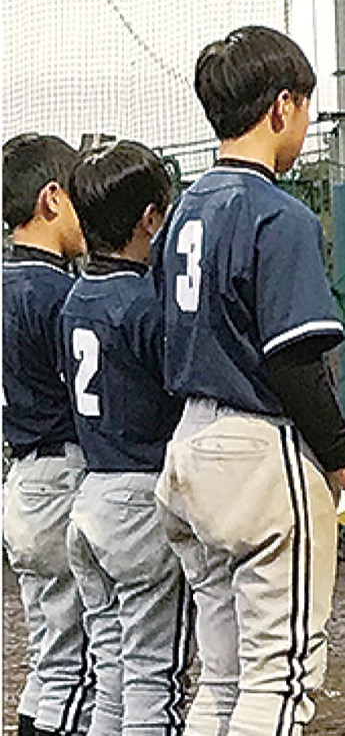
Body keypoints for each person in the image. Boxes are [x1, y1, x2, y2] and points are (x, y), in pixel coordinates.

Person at [154, 26, 345, 735]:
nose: (304, 126)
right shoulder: (278, 213)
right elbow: (294, 363)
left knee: (222, 678)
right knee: (279, 677)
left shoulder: (180, 213)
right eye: (304, 109)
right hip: (258, 451)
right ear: (280, 108)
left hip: (187, 449)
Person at [60, 141, 192, 735]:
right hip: (140, 499)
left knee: (110, 665)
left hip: (89, 499)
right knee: (153, 679)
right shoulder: (143, 303)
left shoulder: (74, 299)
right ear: (149, 218)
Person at [2, 133, 94, 736]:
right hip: (61, 477)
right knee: (77, 666)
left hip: (20, 480)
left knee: (51, 658)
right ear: (51, 199)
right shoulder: (58, 292)